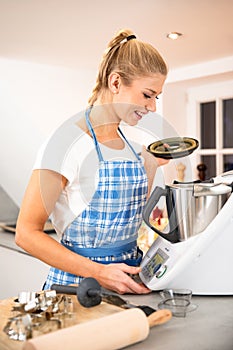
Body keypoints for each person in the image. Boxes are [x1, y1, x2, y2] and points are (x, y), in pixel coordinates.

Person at [16, 29, 168, 295]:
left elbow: (129, 218)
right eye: (147, 95)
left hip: (129, 281)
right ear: (116, 82)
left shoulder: (132, 147)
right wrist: (99, 272)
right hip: (78, 288)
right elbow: (26, 233)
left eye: (157, 97)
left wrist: (151, 164)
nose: (153, 107)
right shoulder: (64, 145)